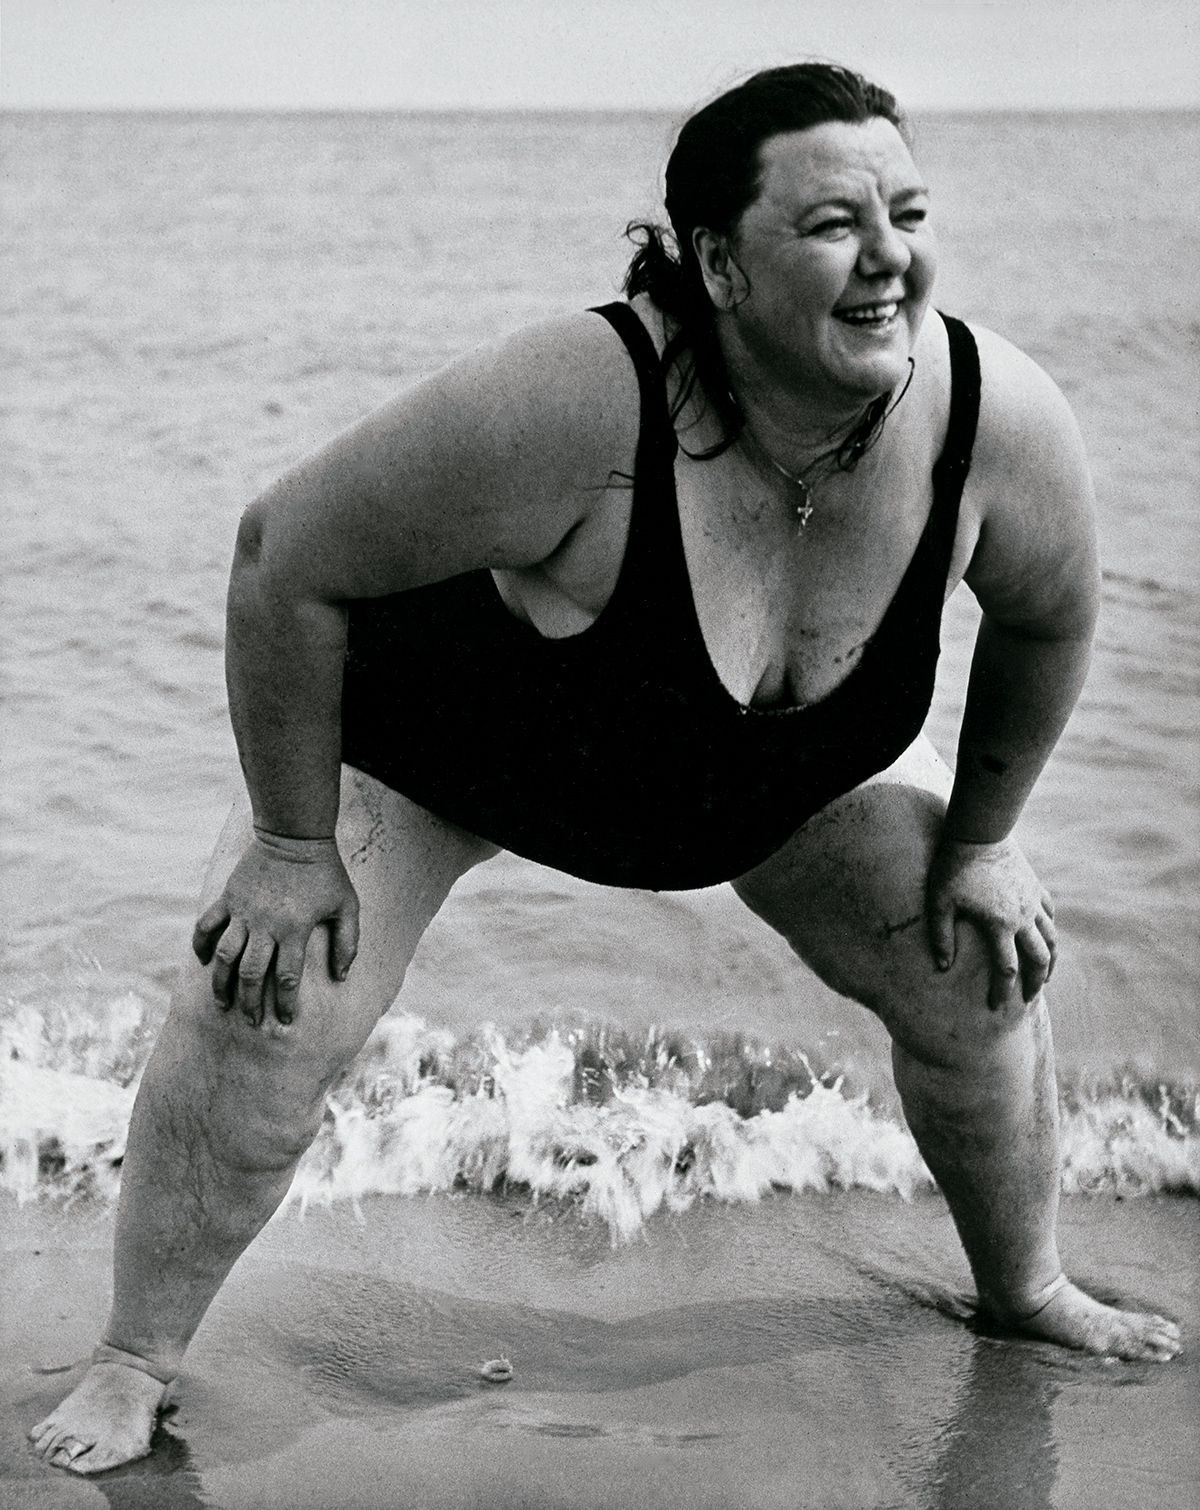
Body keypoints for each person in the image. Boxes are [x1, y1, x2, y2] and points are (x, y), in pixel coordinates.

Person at [31, 61, 1180, 1476]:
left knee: (980, 953)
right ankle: (137, 1356)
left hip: (774, 775)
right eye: (833, 222)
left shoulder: (995, 423)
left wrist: (990, 833)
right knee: (268, 989)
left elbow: (1053, 612)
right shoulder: (585, 401)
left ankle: (1026, 1286)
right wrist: (285, 844)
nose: (890, 252)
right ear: (719, 262)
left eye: (909, 207)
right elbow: (284, 556)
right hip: (456, 751)